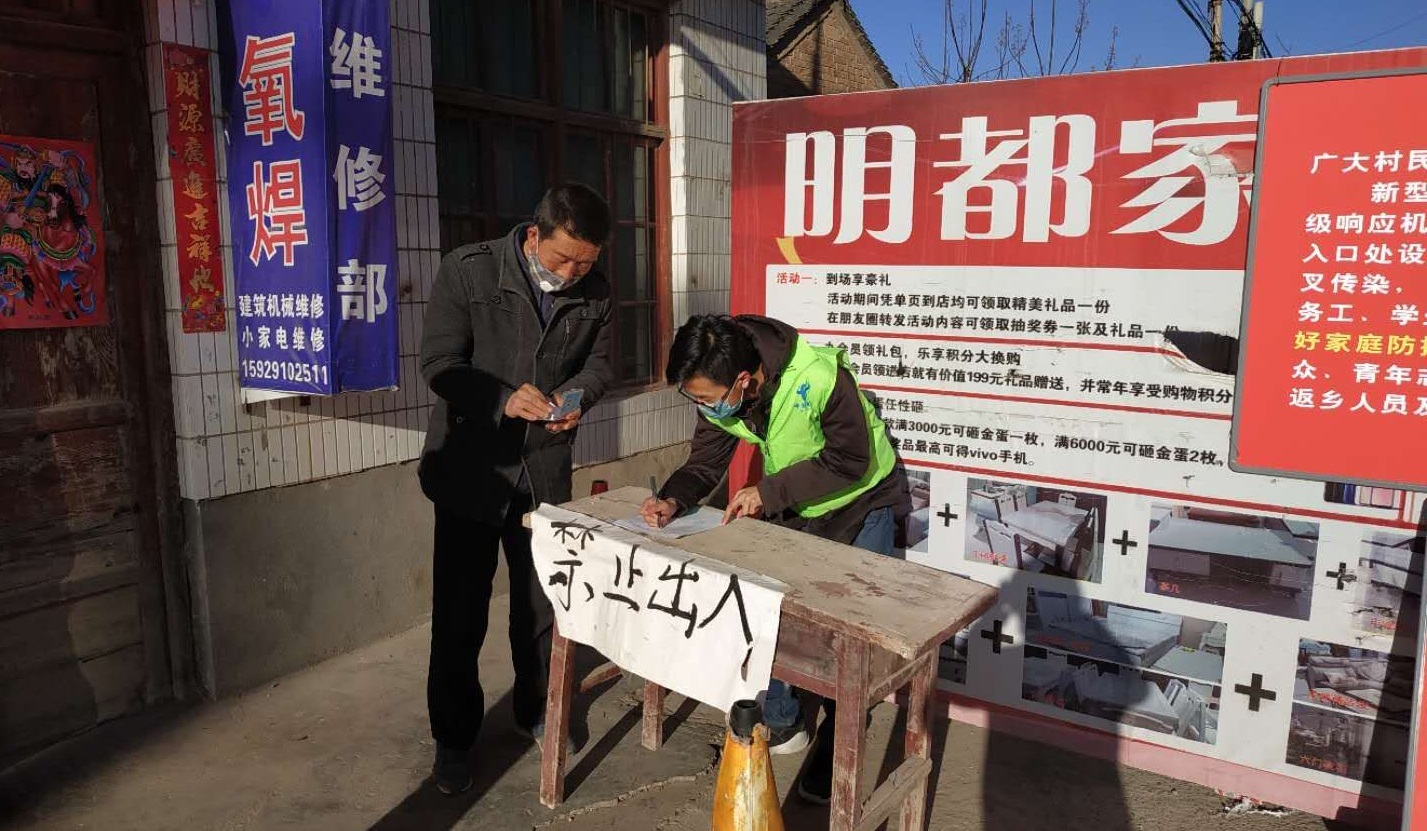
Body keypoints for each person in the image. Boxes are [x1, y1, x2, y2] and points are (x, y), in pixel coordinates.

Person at [640, 314, 905, 805]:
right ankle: (783, 718)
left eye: (707, 399)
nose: (705, 408)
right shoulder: (720, 390)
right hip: (798, 504)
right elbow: (706, 461)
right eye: (695, 399)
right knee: (775, 614)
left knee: (849, 638)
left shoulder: (819, 377)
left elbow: (851, 460)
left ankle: (838, 738)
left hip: (862, 502)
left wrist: (767, 492)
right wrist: (674, 498)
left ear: (743, 379)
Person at [417, 183, 615, 795]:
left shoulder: (596, 291)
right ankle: (454, 739)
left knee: (540, 607)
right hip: (472, 473)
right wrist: (502, 399)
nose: (573, 274)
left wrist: (577, 397)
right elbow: (440, 363)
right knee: (459, 614)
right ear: (534, 235)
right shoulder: (469, 270)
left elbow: (601, 365)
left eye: (585, 263)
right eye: (563, 259)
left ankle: (537, 710)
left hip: (543, 473)